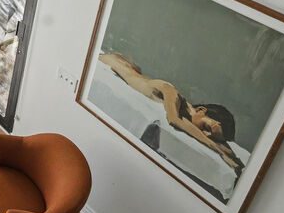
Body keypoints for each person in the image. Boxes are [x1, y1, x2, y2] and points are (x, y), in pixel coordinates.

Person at [98, 52, 243, 175]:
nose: (204, 133)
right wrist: (217, 149)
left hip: (128, 67)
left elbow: (189, 125)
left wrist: (228, 153)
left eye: (210, 135)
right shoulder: (172, 93)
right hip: (112, 62)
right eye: (206, 127)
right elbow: (173, 120)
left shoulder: (185, 115)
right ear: (201, 110)